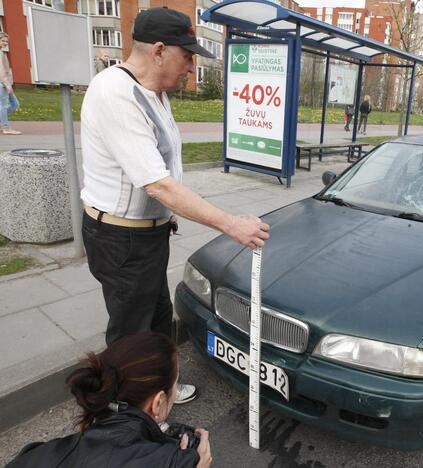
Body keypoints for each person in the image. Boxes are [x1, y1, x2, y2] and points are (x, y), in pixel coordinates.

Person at [79, 7, 270, 404]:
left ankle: (158, 390)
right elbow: (159, 185)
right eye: (188, 57)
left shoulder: (154, 92)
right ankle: (125, 413)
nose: (191, 67)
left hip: (146, 235)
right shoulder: (115, 92)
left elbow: (165, 171)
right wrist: (231, 224)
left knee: (158, 318)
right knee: (131, 332)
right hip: (120, 239)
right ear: (160, 51)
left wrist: (165, 219)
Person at [7, 333, 212, 468]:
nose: (176, 391)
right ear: (157, 402)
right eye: (176, 384)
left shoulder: (41, 453)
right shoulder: (173, 463)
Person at [0, 32, 21, 135]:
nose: (5, 43)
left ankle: (4, 124)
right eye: (3, 40)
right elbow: (2, 71)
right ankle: (6, 128)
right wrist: (8, 85)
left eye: (6, 41)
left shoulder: (2, 53)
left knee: (15, 104)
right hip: (2, 84)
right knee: (4, 106)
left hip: (5, 83)